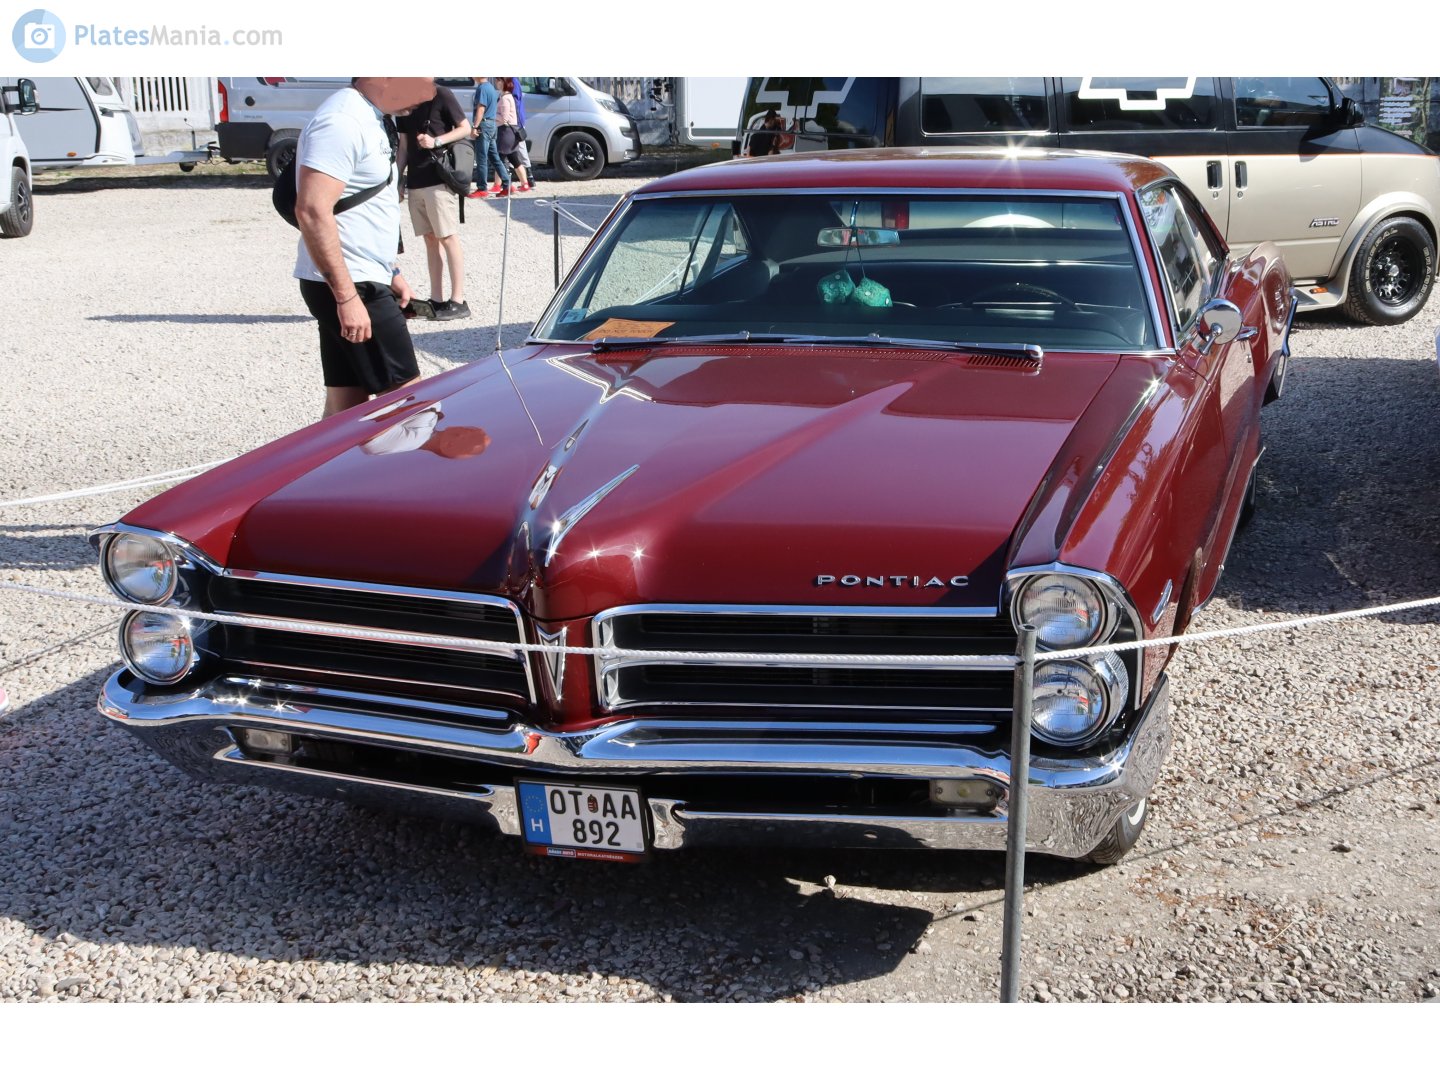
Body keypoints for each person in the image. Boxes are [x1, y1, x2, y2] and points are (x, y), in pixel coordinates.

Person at [294, 77, 435, 418]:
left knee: (346, 407)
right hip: (353, 283)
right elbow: (312, 210)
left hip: (361, 277)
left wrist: (392, 271)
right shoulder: (342, 121)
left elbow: (367, 203)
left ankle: (329, 470)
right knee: (409, 410)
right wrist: (346, 297)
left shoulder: (370, 115)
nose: (427, 91)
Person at [397, 83, 472, 321]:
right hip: (416, 182)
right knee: (430, 240)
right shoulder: (401, 99)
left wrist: (436, 141)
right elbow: (404, 146)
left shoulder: (441, 94)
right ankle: (437, 298)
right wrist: (399, 178)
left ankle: (458, 300)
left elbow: (465, 128)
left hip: (438, 178)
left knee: (448, 237)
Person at [469, 75, 510, 198]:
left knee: (481, 158)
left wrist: (475, 127)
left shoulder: (482, 88)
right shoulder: (491, 88)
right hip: (492, 124)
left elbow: (481, 109)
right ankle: (507, 184)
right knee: (494, 157)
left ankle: (482, 188)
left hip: (484, 125)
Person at [494, 77, 530, 192]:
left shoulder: (505, 98)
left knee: (499, 159)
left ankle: (500, 184)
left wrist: (490, 116)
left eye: (498, 80)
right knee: (514, 158)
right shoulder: (509, 96)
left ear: (503, 83)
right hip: (512, 131)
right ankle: (524, 183)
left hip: (506, 132)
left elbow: (504, 119)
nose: (496, 82)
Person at [506, 75, 536, 190]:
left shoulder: (512, 81)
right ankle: (528, 178)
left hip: (515, 121)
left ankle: (529, 178)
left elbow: (515, 103)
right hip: (516, 120)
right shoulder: (512, 80)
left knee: (518, 147)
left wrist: (516, 122)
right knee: (517, 148)